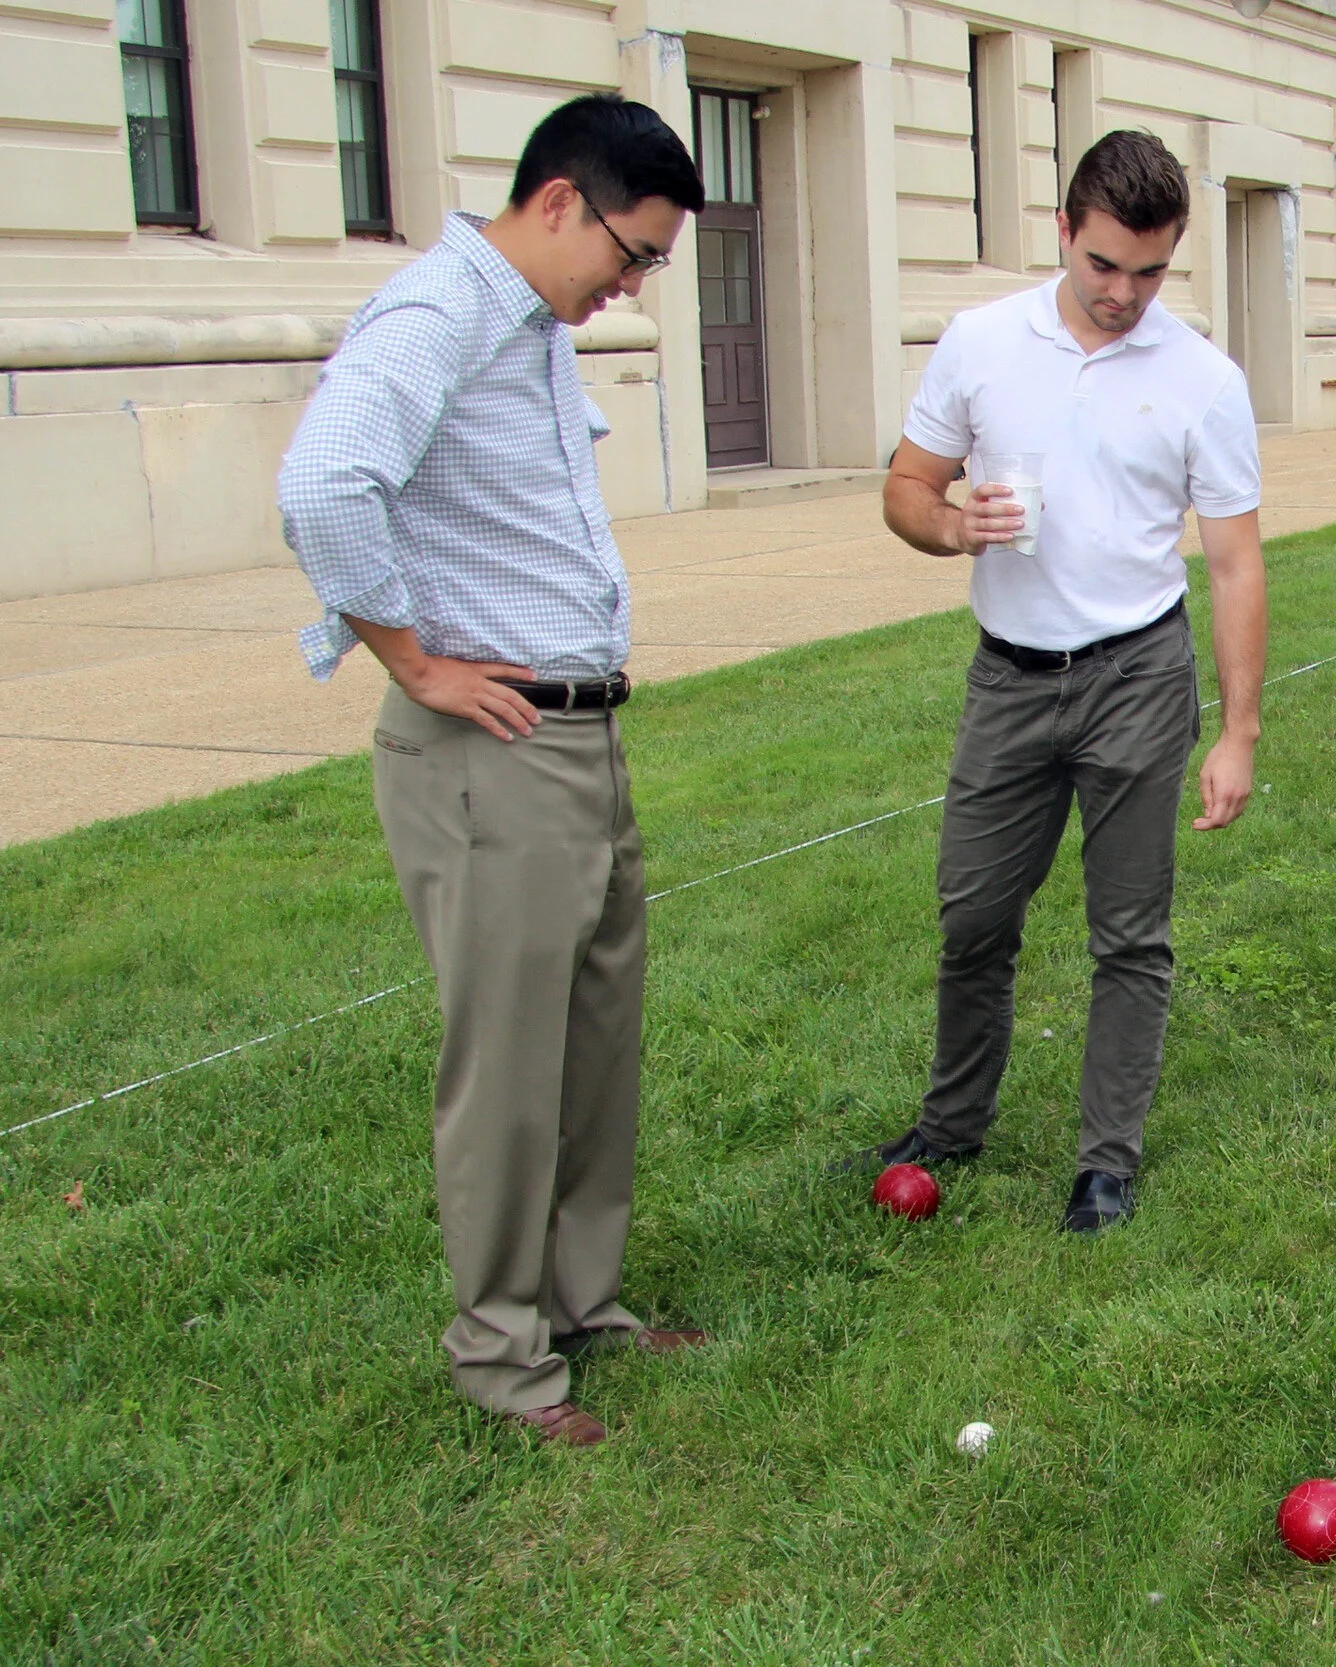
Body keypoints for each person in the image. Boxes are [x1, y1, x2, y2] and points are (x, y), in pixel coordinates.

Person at [275, 95, 709, 1447]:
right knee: (510, 1070)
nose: (632, 288)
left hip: (577, 738)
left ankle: (583, 1302)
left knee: (591, 1046)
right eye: (634, 255)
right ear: (562, 202)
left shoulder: (524, 330)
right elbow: (325, 482)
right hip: (490, 751)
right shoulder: (438, 315)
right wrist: (411, 661)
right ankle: (503, 1356)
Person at [852, 131, 1268, 1233]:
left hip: (1137, 671)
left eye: (1149, 271)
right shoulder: (982, 342)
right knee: (973, 913)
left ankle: (1105, 1163)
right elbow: (905, 485)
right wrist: (949, 523)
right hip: (1010, 677)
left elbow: (1234, 560)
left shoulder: (1202, 379)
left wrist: (1240, 732)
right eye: (1103, 266)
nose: (1124, 293)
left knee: (1129, 931)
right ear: (1064, 235)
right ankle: (952, 1122)